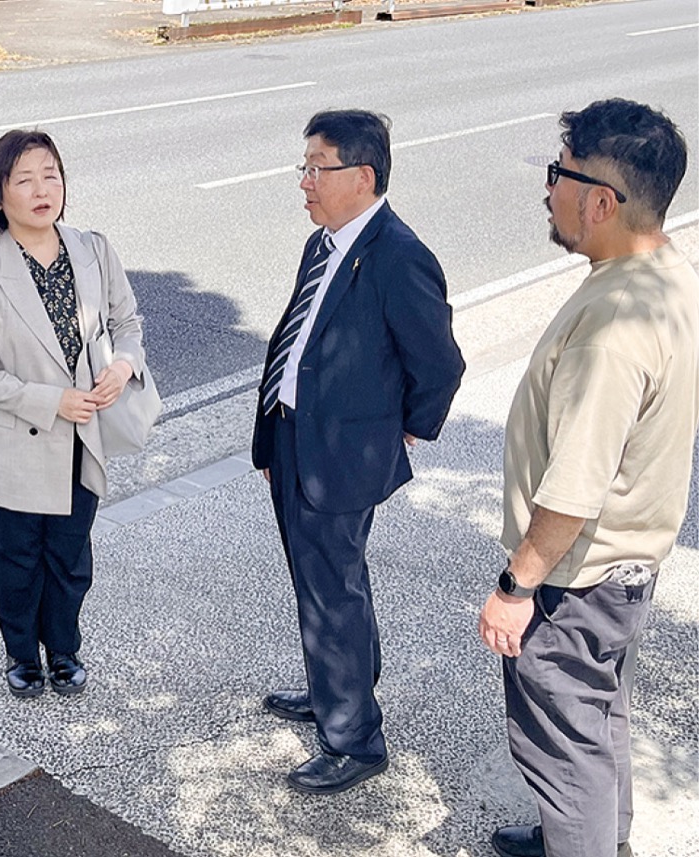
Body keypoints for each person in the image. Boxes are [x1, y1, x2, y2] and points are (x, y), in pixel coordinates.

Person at [479, 99, 696, 857]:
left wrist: (516, 588)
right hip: (626, 567)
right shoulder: (665, 271)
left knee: (564, 752)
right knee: (600, 721)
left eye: (558, 174)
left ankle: (582, 842)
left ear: (601, 202)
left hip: (578, 580)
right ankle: (603, 840)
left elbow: (576, 484)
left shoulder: (612, 326)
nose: (548, 190)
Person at [251, 109, 465, 794]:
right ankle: (337, 686)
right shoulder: (325, 244)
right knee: (325, 580)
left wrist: (403, 428)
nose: (305, 182)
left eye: (318, 168)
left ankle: (354, 740)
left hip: (342, 452)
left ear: (363, 176)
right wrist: (271, 433)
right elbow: (299, 340)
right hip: (294, 436)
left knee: (331, 591)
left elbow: (440, 363)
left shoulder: (398, 255)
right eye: (305, 167)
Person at [0, 129, 146, 698]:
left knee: (69, 550)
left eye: (51, 176)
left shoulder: (93, 251)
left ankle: (63, 647)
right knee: (18, 554)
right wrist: (51, 401)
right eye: (25, 180)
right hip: (18, 438)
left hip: (83, 435)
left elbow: (128, 323)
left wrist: (124, 366)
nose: (42, 190)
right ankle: (21, 653)